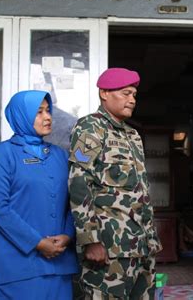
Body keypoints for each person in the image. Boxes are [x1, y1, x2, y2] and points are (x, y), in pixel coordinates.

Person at [69, 67, 162, 299]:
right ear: (104, 93)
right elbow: (79, 182)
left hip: (140, 245)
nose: (132, 100)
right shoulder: (90, 127)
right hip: (109, 247)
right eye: (125, 93)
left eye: (134, 95)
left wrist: (150, 239)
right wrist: (90, 240)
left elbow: (139, 190)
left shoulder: (132, 135)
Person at [0, 90, 78, 300]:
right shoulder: (1, 155)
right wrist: (37, 242)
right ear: (21, 116)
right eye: (39, 112)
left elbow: (74, 202)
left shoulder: (60, 156)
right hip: (18, 267)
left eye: (48, 111)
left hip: (59, 265)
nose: (48, 117)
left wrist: (68, 235)